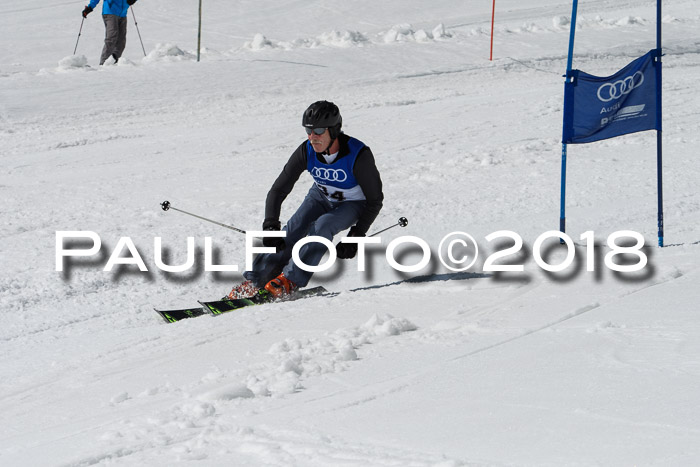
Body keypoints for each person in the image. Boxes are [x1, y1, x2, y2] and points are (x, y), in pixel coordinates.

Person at [229, 101, 384, 299]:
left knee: (322, 227)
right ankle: (254, 281)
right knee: (291, 230)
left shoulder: (358, 155)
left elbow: (375, 199)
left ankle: (289, 281)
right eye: (308, 131)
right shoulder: (306, 151)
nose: (312, 137)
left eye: (318, 131)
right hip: (320, 196)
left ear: (334, 130)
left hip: (353, 203)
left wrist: (357, 234)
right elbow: (278, 190)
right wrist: (270, 225)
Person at [81, 0, 137, 65]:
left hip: (123, 13)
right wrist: (90, 7)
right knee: (111, 38)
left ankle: (113, 61)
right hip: (110, 11)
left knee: (121, 41)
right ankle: (103, 63)